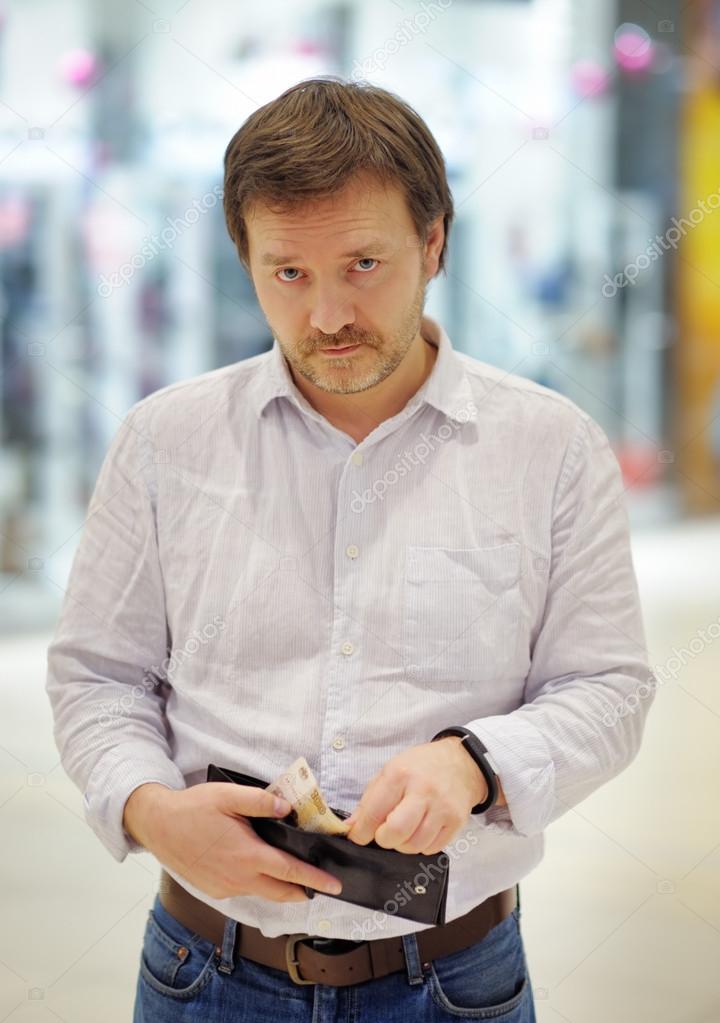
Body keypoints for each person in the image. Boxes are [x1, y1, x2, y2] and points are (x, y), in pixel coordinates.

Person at [45, 76, 655, 1022]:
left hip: (455, 980)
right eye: (288, 273)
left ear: (434, 243)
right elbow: (97, 676)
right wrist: (147, 810)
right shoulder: (167, 442)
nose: (327, 316)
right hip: (203, 972)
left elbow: (609, 688)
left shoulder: (550, 447)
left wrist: (475, 763)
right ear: (245, 260)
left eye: (364, 264)